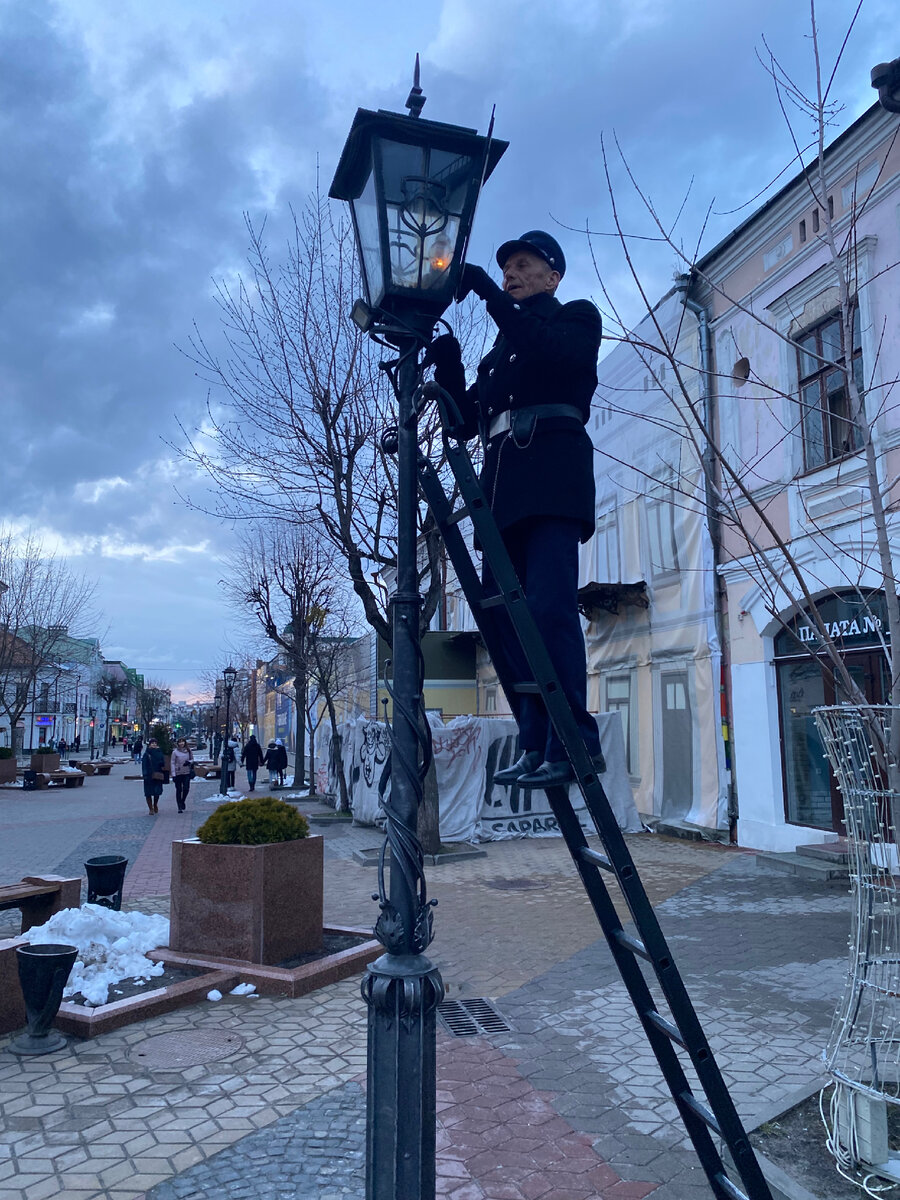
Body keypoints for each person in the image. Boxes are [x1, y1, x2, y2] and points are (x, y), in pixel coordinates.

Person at [427, 230, 605, 789]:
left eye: (524, 265)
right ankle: (533, 741)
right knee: (504, 623)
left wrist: (485, 293)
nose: (512, 274)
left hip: (551, 483)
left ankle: (574, 742)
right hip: (502, 496)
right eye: (505, 269)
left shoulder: (575, 316)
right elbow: (463, 424)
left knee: (550, 612)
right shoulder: (501, 353)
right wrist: (450, 367)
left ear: (553, 276)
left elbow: (549, 350)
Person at [141, 737, 166, 814]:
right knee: (148, 793)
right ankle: (150, 808)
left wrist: (162, 764)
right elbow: (144, 765)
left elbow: (163, 762)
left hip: (157, 775)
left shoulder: (159, 752)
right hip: (148, 776)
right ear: (149, 745)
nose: (154, 745)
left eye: (155, 743)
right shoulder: (147, 754)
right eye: (152, 743)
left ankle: (155, 804)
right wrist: (145, 774)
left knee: (157, 792)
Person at [171, 737, 194, 813]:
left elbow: (192, 759)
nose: (181, 743)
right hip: (178, 773)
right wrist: (173, 774)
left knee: (186, 788)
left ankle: (183, 800)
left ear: (185, 743)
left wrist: (189, 762)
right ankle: (179, 806)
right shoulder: (175, 752)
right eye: (180, 742)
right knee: (178, 789)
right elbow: (172, 763)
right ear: (177, 743)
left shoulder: (188, 751)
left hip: (186, 772)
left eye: (182, 742)